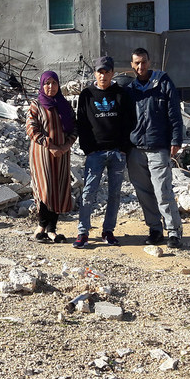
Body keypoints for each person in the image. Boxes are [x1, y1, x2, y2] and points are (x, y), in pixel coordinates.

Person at [73, 56, 135, 248]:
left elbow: (129, 122)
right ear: (95, 73)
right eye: (100, 71)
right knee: (88, 192)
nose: (103, 75)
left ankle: (108, 231)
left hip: (117, 153)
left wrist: (125, 148)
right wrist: (88, 149)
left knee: (114, 194)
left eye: (107, 72)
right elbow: (81, 123)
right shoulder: (86, 95)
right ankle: (83, 232)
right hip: (95, 154)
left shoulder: (121, 94)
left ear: (112, 73)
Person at [126, 47, 184, 249]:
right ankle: (155, 230)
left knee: (163, 191)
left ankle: (174, 231)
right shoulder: (130, 88)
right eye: (136, 63)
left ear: (149, 62)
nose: (140, 66)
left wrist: (176, 140)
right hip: (135, 149)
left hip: (158, 146)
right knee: (144, 193)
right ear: (132, 65)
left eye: (143, 62)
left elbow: (174, 114)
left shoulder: (163, 83)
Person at [26, 70, 77, 243]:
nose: (50, 87)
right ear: (42, 85)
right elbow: (32, 129)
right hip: (42, 154)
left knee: (58, 189)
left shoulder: (64, 105)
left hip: (62, 154)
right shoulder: (36, 105)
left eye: (54, 83)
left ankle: (51, 230)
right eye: (47, 83)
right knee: (44, 189)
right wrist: (51, 145)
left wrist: (65, 146)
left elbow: (74, 128)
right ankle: (41, 226)